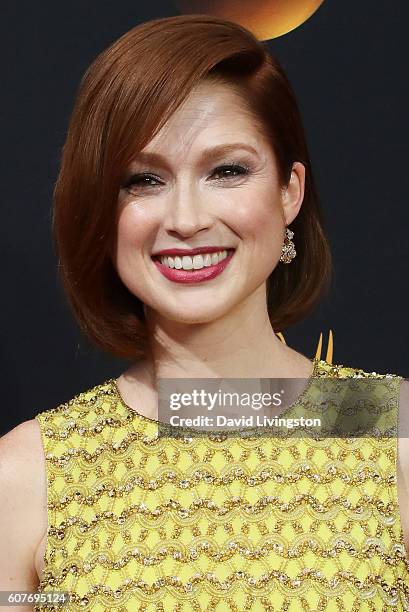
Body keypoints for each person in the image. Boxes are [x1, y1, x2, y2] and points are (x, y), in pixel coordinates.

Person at [1, 13, 408, 611]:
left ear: (289, 192)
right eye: (143, 180)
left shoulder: (387, 430)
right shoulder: (27, 473)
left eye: (227, 171)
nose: (186, 219)